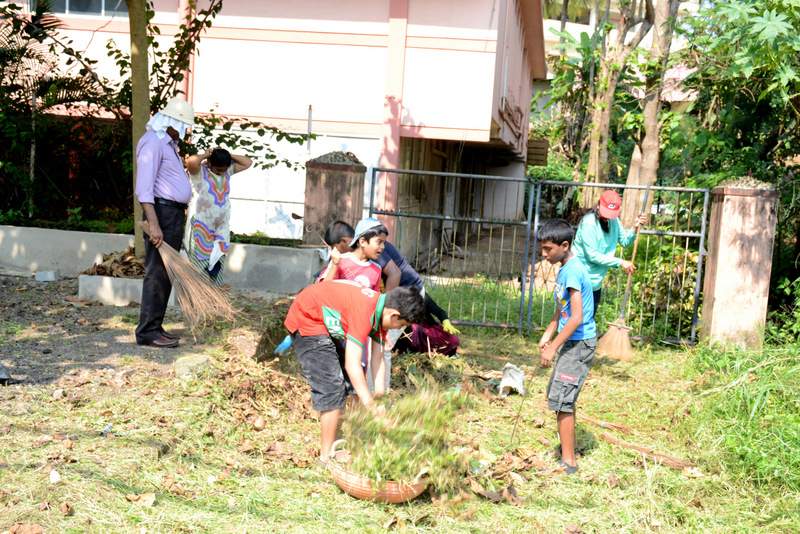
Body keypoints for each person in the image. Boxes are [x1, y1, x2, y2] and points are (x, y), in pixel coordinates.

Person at [283, 281, 425, 463]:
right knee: (332, 387)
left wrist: (380, 397)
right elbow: (352, 365)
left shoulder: (381, 312)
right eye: (401, 324)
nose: (398, 329)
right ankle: (326, 459)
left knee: (352, 386)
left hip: (324, 324)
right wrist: (371, 406)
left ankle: (344, 443)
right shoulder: (365, 311)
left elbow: (378, 358)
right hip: (308, 319)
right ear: (394, 314)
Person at [537, 218, 597, 475]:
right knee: (558, 394)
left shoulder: (572, 271)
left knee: (563, 399)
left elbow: (577, 317)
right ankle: (566, 449)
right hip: (570, 341)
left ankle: (569, 462)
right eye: (542, 248)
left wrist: (553, 348)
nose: (543, 254)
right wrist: (548, 333)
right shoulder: (565, 268)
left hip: (579, 343)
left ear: (564, 245)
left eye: (548, 249)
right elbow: (563, 308)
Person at [134, 97, 195, 348]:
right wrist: (154, 224)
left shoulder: (169, 145)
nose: (185, 131)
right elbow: (144, 189)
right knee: (157, 273)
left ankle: (155, 326)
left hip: (173, 213)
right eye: (183, 125)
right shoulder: (152, 142)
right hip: (161, 213)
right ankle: (147, 332)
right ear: (172, 122)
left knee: (166, 273)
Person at [184, 148, 252, 286]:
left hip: (221, 226)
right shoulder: (200, 171)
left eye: (224, 169)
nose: (221, 172)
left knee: (218, 258)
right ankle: (199, 294)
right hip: (201, 223)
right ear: (210, 162)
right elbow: (191, 162)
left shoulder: (227, 171)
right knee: (200, 260)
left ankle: (214, 294)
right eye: (218, 169)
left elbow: (247, 162)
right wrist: (206, 155)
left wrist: (227, 156)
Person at [572, 190, 647, 316]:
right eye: (606, 212)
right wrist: (620, 262)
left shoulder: (614, 221)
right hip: (579, 279)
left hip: (595, 282)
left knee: (588, 319)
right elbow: (592, 255)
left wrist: (634, 227)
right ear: (598, 205)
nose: (608, 217)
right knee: (574, 319)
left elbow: (625, 241)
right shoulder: (589, 223)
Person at [318, 217, 385, 292]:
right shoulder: (339, 261)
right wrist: (334, 265)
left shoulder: (377, 268)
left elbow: (375, 296)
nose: (383, 247)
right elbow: (323, 289)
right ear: (362, 242)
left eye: (383, 242)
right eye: (379, 242)